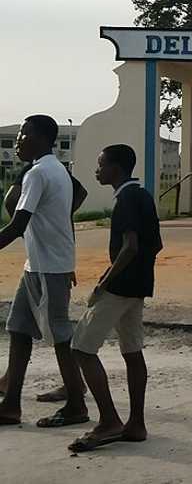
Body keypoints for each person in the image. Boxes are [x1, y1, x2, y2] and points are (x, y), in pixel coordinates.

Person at [68, 144, 161, 451]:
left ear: (116, 169)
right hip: (138, 287)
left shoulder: (125, 199)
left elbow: (130, 246)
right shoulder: (144, 195)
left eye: (101, 165)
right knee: (132, 352)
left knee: (81, 347)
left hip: (119, 287)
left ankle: (109, 421)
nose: (97, 170)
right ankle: (136, 424)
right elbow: (154, 246)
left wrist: (104, 282)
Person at [0, 115, 88, 427]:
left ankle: (77, 405)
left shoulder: (38, 173)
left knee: (61, 336)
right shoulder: (57, 171)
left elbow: (17, 224)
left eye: (23, 133)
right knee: (19, 330)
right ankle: (10, 406)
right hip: (37, 266)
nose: (18, 140)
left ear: (39, 137)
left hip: (50, 268)